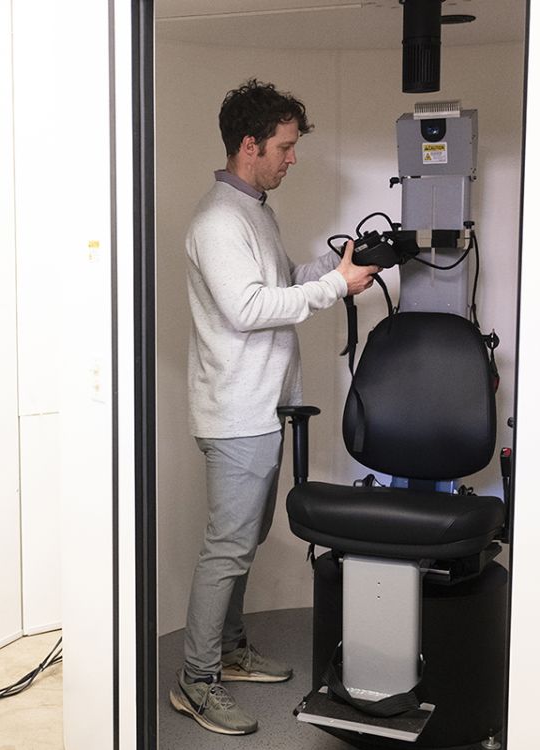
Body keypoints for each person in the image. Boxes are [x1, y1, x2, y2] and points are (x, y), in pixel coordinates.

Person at [169, 79, 379, 736]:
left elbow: (279, 282)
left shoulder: (253, 209)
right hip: (236, 413)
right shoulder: (217, 221)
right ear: (249, 145)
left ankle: (229, 651)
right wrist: (332, 287)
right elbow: (249, 308)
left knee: (244, 541)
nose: (292, 158)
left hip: (261, 409)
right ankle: (196, 679)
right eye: (284, 147)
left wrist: (334, 266)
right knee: (227, 548)